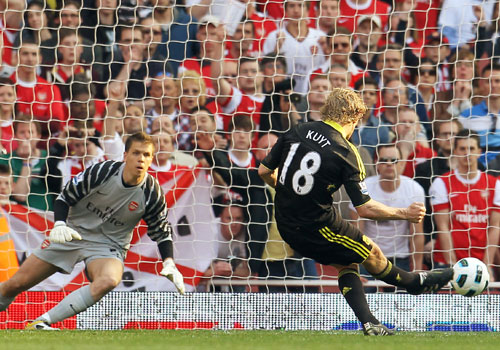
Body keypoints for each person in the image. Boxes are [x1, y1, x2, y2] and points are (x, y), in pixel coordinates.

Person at [257, 88, 453, 336]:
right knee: (371, 252)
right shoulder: (347, 152)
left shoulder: (297, 130)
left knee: (346, 262)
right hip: (317, 226)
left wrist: (288, 192)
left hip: (285, 224)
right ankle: (415, 283)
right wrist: (405, 213)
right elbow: (365, 209)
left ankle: (370, 323)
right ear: (353, 117)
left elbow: (263, 172)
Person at [0, 132, 185, 330]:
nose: (141, 159)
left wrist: (169, 262)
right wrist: (60, 224)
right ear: (125, 156)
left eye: (147, 155)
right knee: (16, 284)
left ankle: (42, 322)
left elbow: (162, 231)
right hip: (72, 232)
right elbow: (65, 197)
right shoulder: (102, 171)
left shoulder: (152, 193)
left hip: (108, 246)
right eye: (136, 153)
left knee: (109, 280)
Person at [429, 130, 500, 278]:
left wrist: (487, 266)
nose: (467, 153)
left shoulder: (495, 185)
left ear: (479, 151)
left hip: (481, 262)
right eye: (462, 149)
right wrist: (453, 268)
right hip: (448, 263)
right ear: (455, 151)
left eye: (471, 149)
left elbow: (494, 228)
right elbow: (443, 227)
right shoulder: (441, 182)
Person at [350, 145, 425, 281]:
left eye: (394, 160)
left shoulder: (414, 190)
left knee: (402, 300)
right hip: (369, 256)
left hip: (400, 258)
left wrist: (417, 269)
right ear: (376, 163)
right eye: (384, 160)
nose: (389, 164)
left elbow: (416, 235)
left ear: (402, 163)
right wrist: (355, 268)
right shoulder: (363, 188)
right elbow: (356, 233)